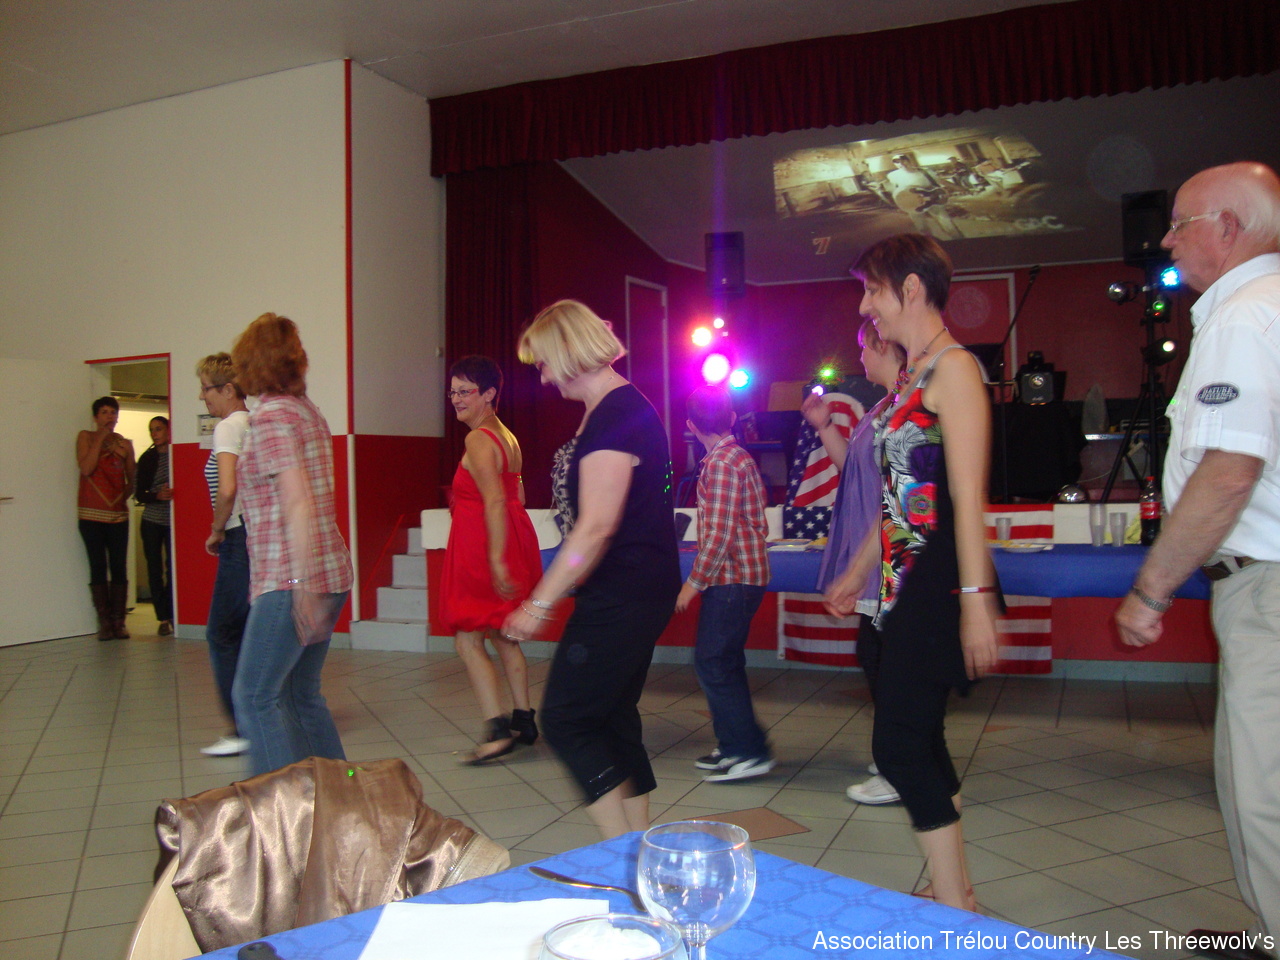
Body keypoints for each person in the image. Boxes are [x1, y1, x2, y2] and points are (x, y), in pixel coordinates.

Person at [1115, 161, 1280, 958]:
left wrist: (1150, 590)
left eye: (1181, 224)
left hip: (1268, 588)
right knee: (1251, 781)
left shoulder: (1245, 316)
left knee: (1264, 794)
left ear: (1228, 228)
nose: (1168, 241)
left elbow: (1228, 473)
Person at [826, 233, 999, 912]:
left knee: (898, 747)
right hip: (901, 583)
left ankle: (954, 901)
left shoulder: (954, 370)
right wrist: (858, 571)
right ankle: (956, 887)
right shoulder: (912, 376)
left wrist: (976, 601)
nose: (865, 305)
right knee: (921, 736)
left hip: (936, 582)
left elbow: (966, 497)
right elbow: (902, 499)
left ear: (912, 289)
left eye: (873, 289)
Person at [502, 299, 680, 839]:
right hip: (637, 587)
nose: (543, 377)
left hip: (624, 590)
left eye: (543, 363)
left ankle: (621, 853)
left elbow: (596, 527)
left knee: (567, 719)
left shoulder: (614, 416)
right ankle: (640, 849)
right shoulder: (617, 407)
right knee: (611, 716)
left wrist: (537, 604)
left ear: (567, 353)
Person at [231, 313, 353, 778]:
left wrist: (301, 585)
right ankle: (342, 797)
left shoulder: (271, 417)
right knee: (300, 694)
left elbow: (297, 500)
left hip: (289, 578)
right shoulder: (306, 411)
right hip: (329, 570)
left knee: (253, 696)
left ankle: (280, 808)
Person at [803, 318, 907, 805]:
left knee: (888, 661)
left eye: (865, 347)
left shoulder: (904, 408)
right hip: (876, 557)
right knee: (876, 655)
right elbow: (853, 472)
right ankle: (897, 755)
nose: (860, 356)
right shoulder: (881, 408)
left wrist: (860, 567)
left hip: (891, 561)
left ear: (884, 346)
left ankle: (901, 764)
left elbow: (900, 498)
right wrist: (824, 426)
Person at [439, 355, 542, 764]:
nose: (456, 399)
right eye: (452, 392)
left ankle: (497, 731)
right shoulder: (507, 437)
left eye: (465, 391)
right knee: (504, 634)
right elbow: (519, 497)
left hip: (483, 547)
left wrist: (496, 560)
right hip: (508, 539)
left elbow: (496, 502)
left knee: (467, 638)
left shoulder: (479, 440)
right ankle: (524, 720)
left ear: (489, 394)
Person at [675, 384, 773, 782]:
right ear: (732, 417)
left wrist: (692, 584)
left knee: (713, 662)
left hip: (733, 578)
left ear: (690, 426)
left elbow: (719, 535)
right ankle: (735, 743)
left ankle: (748, 749)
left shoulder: (721, 463)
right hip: (739, 576)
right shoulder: (735, 457)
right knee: (724, 662)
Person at [196, 353, 252, 758]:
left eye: (206, 389)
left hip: (238, 538)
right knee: (247, 631)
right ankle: (257, 719)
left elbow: (228, 489)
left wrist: (217, 529)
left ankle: (240, 728)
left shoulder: (228, 427)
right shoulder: (256, 422)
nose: (203, 397)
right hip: (256, 537)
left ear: (228, 389)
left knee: (221, 633)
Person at [76, 396, 136, 640]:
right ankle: (104, 622)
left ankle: (119, 622)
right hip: (90, 515)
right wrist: (100, 438)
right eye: (104, 412)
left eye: (113, 412)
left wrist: (119, 498)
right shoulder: (85, 437)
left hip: (118, 516)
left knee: (119, 566)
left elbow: (132, 480)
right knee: (98, 566)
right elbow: (86, 468)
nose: (109, 417)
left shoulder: (125, 444)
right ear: (95, 417)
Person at [135, 415, 174, 635]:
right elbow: (139, 493)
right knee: (154, 568)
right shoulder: (147, 458)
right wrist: (156, 495)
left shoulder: (177, 454)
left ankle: (173, 611)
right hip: (152, 519)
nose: (155, 434)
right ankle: (162, 617)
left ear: (168, 430)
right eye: (152, 430)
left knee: (173, 567)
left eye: (158, 429)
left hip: (173, 520)